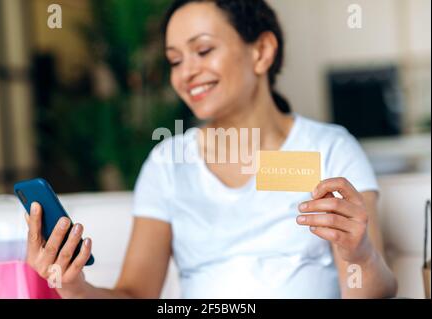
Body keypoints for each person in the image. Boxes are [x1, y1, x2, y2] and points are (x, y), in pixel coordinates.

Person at [24, 0, 397, 298]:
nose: (185, 73)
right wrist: (74, 287)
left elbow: (374, 292)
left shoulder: (330, 149)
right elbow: (135, 294)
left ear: (262, 51)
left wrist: (359, 256)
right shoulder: (167, 163)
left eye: (203, 50)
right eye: (174, 60)